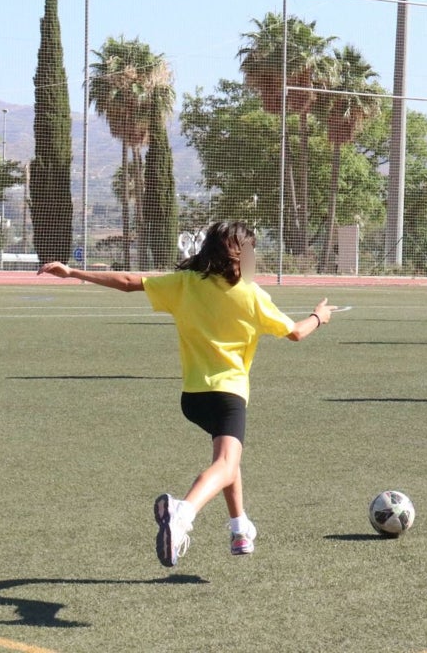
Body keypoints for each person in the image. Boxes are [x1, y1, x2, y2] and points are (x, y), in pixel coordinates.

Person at [37, 221, 337, 567]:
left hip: (193, 397)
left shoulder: (184, 284)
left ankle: (240, 528)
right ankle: (183, 512)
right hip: (228, 393)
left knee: (227, 459)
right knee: (226, 463)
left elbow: (127, 282)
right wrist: (320, 315)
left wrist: (73, 271)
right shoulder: (251, 295)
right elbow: (297, 333)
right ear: (241, 257)